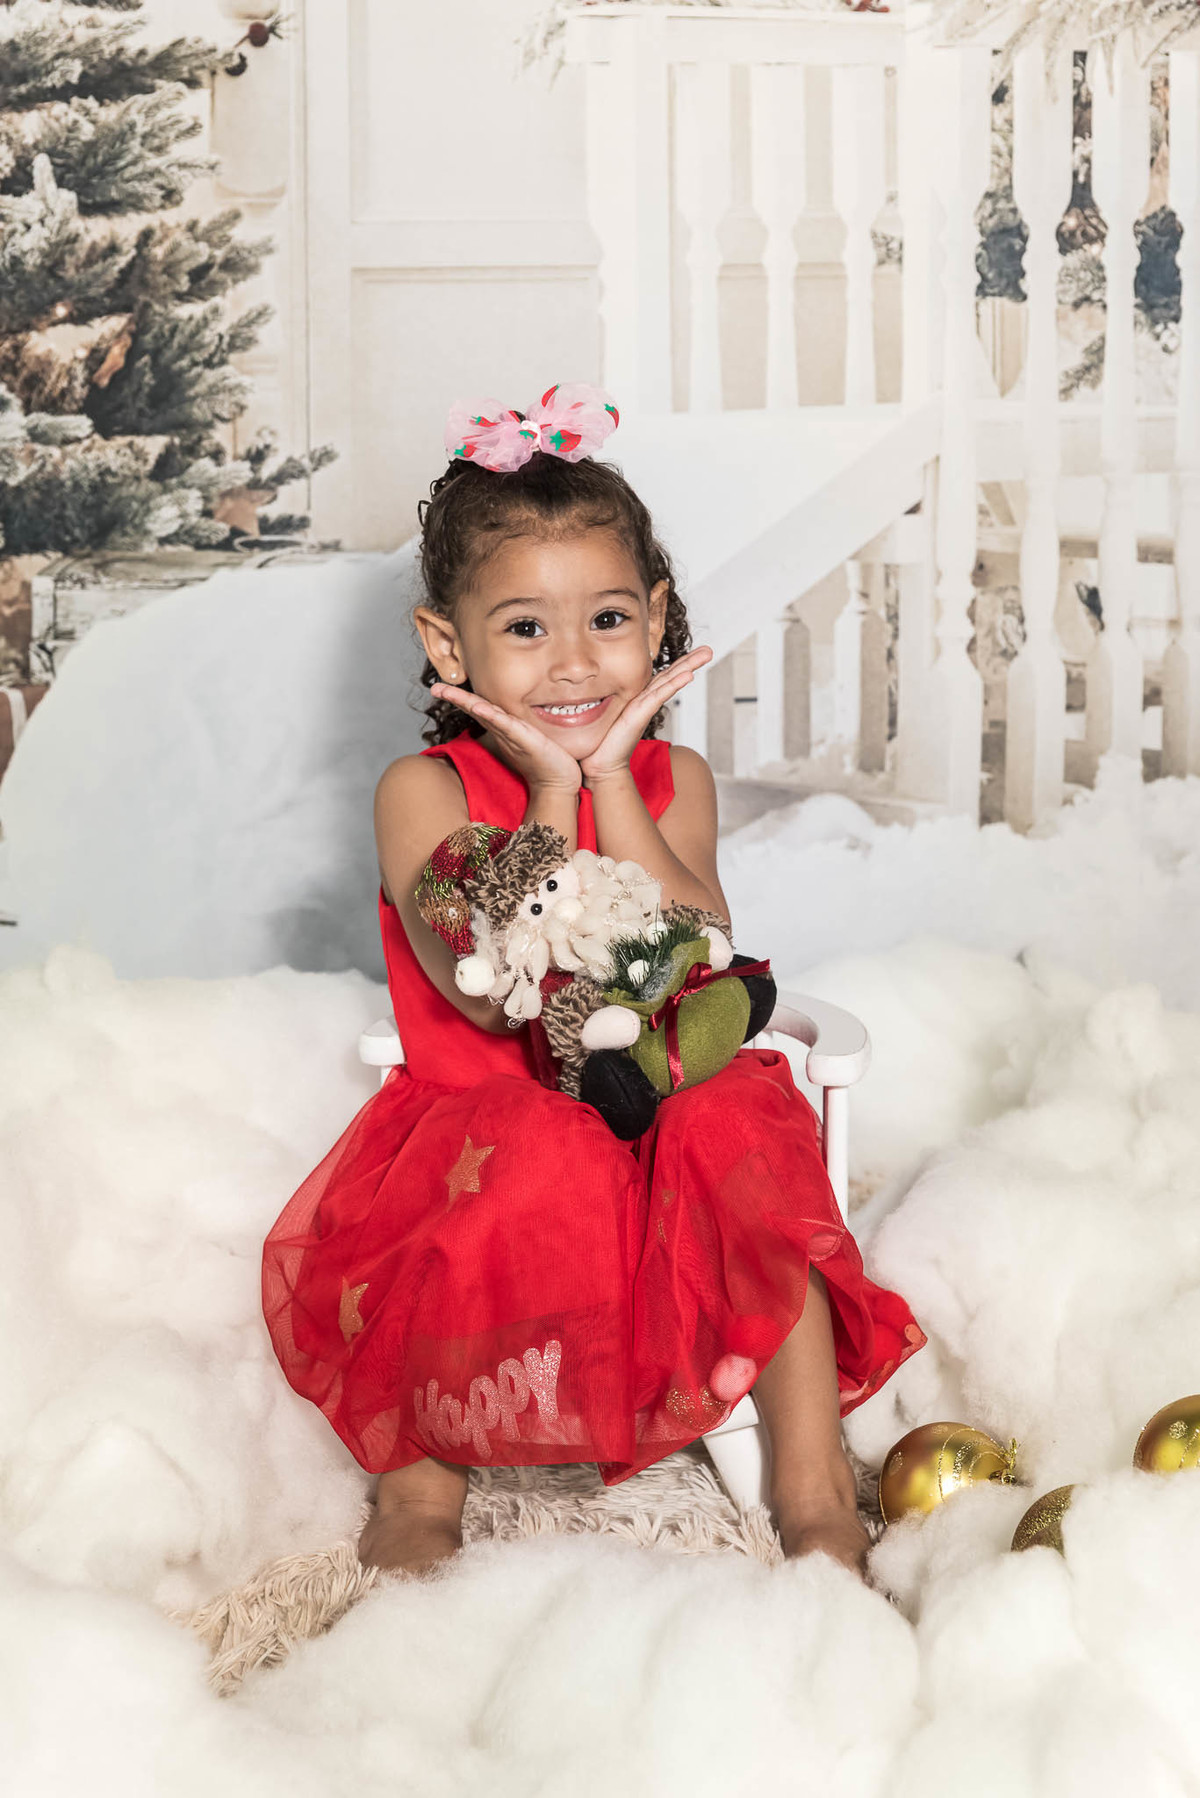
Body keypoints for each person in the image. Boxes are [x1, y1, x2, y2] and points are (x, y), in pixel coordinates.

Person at [261, 383, 927, 1584]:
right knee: (526, 1145)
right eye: (525, 628)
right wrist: (553, 790)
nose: (573, 662)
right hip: (486, 1128)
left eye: (609, 619)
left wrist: (615, 780)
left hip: (657, 1110)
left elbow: (696, 945)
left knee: (743, 1118)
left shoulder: (676, 780)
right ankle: (421, 1490)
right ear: (448, 645)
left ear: (656, 618)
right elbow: (486, 988)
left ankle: (815, 1485)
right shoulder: (423, 792)